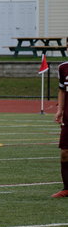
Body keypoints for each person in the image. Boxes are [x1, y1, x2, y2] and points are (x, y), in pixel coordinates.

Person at [52, 61, 68, 197]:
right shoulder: (63, 67)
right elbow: (62, 90)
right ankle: (66, 188)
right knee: (64, 152)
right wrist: (60, 110)